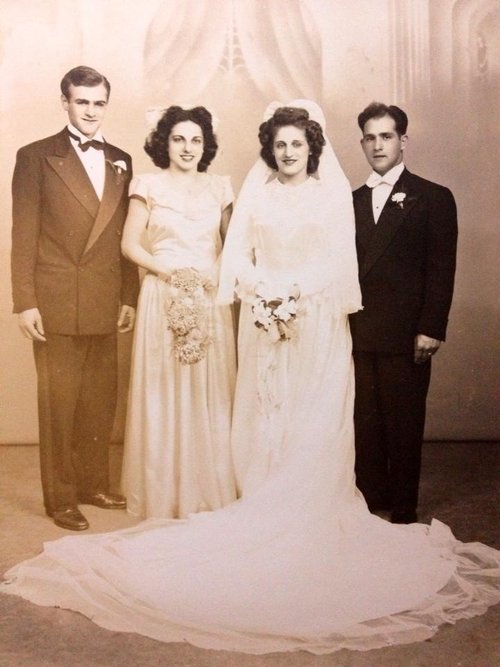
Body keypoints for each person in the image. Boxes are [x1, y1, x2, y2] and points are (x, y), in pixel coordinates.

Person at [2, 101, 499, 655]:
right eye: (280, 144)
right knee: (266, 409)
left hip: (312, 319)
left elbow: (342, 263)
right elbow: (237, 253)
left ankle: (310, 500)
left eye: (298, 144)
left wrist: (295, 298)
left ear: (313, 147)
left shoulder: (336, 194)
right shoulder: (255, 193)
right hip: (265, 320)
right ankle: (260, 493)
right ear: (272, 148)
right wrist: (262, 294)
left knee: (312, 410)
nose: (289, 153)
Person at [10, 66, 139, 531]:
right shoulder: (35, 156)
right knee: (59, 403)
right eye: (81, 101)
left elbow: (125, 236)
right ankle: (61, 497)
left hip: (105, 297)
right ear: (64, 102)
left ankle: (93, 484)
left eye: (98, 102)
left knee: (99, 400)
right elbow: (22, 234)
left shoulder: (121, 158)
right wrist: (25, 301)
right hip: (56, 298)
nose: (90, 111)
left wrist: (129, 296)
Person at [120, 105, 237, 519]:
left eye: (196, 140)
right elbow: (130, 244)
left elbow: (234, 245)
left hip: (207, 296)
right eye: (179, 139)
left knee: (208, 391)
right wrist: (172, 273)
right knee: (163, 389)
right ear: (164, 142)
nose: (187, 148)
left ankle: (205, 487)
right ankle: (165, 490)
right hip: (162, 292)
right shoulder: (147, 185)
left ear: (205, 146)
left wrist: (210, 276)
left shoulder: (220, 187)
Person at [349, 102, 458, 524]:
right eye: (370, 138)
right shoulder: (351, 201)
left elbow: (441, 269)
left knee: (404, 422)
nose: (378, 145)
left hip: (407, 332)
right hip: (360, 331)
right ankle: (372, 501)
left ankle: (403, 508)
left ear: (403, 141)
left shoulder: (432, 197)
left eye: (387, 136)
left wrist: (431, 328)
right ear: (362, 143)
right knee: (365, 421)